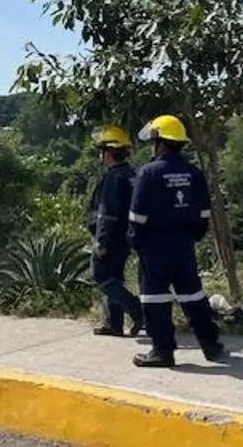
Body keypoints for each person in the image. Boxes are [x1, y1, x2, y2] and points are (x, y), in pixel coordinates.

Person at [127, 114, 224, 368]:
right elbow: (204, 213)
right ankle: (210, 344)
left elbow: (137, 216)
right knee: (193, 295)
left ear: (159, 142)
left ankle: (163, 351)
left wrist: (137, 244)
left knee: (155, 299)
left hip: (154, 244)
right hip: (184, 243)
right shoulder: (194, 173)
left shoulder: (148, 173)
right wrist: (192, 236)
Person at [87, 125, 144, 337]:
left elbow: (106, 213)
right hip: (126, 236)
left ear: (108, 152)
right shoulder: (131, 174)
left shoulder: (114, 178)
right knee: (114, 277)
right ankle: (113, 323)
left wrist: (101, 241)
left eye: (102, 150)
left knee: (100, 277)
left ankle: (138, 311)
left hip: (112, 237)